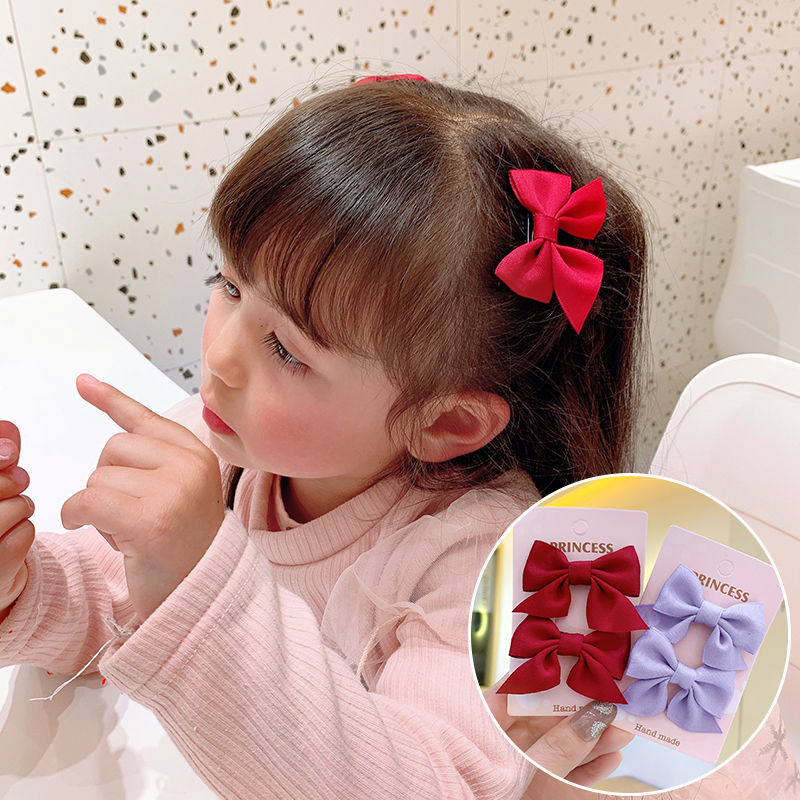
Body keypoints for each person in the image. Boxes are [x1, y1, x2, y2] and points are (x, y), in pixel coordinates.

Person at [0, 76, 649, 798]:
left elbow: (431, 784)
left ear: (444, 423)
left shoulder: (489, 566)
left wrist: (199, 578)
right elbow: (113, 595)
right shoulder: (229, 449)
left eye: (286, 350)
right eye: (230, 286)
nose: (219, 358)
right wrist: (20, 586)